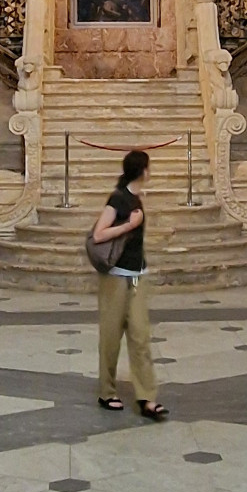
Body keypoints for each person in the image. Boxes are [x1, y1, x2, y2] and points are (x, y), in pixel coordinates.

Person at [91, 146, 167, 420]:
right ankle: (107, 391)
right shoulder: (118, 199)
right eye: (148, 167)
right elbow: (98, 235)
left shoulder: (137, 197)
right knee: (111, 337)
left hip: (138, 276)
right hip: (115, 279)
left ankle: (147, 398)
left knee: (140, 337)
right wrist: (129, 226)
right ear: (142, 171)